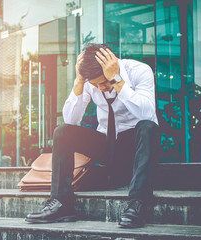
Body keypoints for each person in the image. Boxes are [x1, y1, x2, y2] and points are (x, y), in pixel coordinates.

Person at [25, 43, 159, 228]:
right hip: (107, 146)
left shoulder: (139, 71)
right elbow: (70, 119)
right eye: (96, 85)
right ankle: (61, 203)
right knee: (62, 132)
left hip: (135, 147)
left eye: (105, 82)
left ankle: (138, 204)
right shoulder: (90, 81)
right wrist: (79, 82)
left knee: (147, 127)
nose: (101, 88)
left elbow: (147, 114)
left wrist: (117, 81)